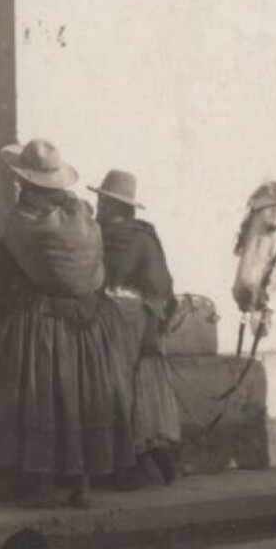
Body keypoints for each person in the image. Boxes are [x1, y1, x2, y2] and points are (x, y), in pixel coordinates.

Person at [0, 139, 135, 508]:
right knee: (81, 401)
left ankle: (43, 485)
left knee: (43, 399)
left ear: (27, 184)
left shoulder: (23, 223)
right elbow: (96, 268)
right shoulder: (83, 218)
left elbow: (3, 274)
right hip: (89, 324)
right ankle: (82, 486)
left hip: (43, 323)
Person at [91, 169, 183, 485]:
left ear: (119, 206)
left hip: (133, 321)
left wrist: (151, 329)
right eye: (101, 199)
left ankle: (140, 462)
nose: (100, 205)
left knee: (131, 389)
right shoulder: (95, 233)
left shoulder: (141, 239)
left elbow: (158, 286)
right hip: (103, 319)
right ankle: (124, 460)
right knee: (112, 388)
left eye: (105, 201)